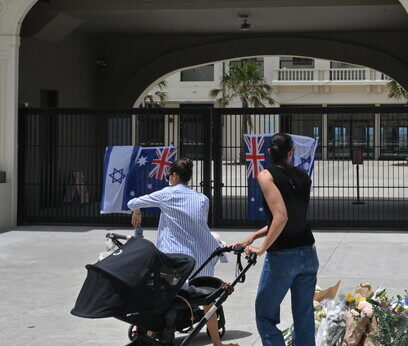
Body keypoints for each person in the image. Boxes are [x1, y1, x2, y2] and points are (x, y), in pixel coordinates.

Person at [128, 158, 235, 346]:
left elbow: (132, 202)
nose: (168, 178)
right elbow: (199, 228)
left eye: (169, 175)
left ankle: (149, 335)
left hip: (174, 266)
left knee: (162, 297)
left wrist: (137, 211)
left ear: (175, 175)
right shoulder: (202, 199)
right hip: (199, 262)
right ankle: (217, 343)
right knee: (208, 301)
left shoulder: (166, 194)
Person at [235, 133, 318, 346]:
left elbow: (281, 217)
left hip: (283, 256)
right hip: (308, 253)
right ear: (291, 153)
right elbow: (290, 217)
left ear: (270, 152)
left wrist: (261, 248)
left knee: (265, 316)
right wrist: (255, 234)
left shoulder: (266, 175)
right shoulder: (303, 177)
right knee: (304, 316)